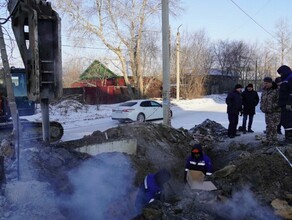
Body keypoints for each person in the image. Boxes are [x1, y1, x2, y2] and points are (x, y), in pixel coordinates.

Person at [260, 77, 281, 145]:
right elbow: (262, 100)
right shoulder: (264, 90)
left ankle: (274, 140)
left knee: (273, 126)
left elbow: (279, 101)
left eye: (266, 83)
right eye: (264, 83)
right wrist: (262, 107)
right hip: (267, 112)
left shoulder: (276, 90)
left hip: (275, 112)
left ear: (271, 83)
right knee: (268, 126)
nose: (265, 84)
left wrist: (271, 106)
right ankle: (269, 140)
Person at [277, 65, 292, 143]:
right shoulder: (286, 79)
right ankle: (288, 138)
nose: (281, 75)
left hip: (288, 105)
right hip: (284, 104)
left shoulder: (290, 79)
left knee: (288, 121)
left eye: (281, 73)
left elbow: (291, 93)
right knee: (284, 121)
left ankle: (289, 139)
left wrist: (289, 103)